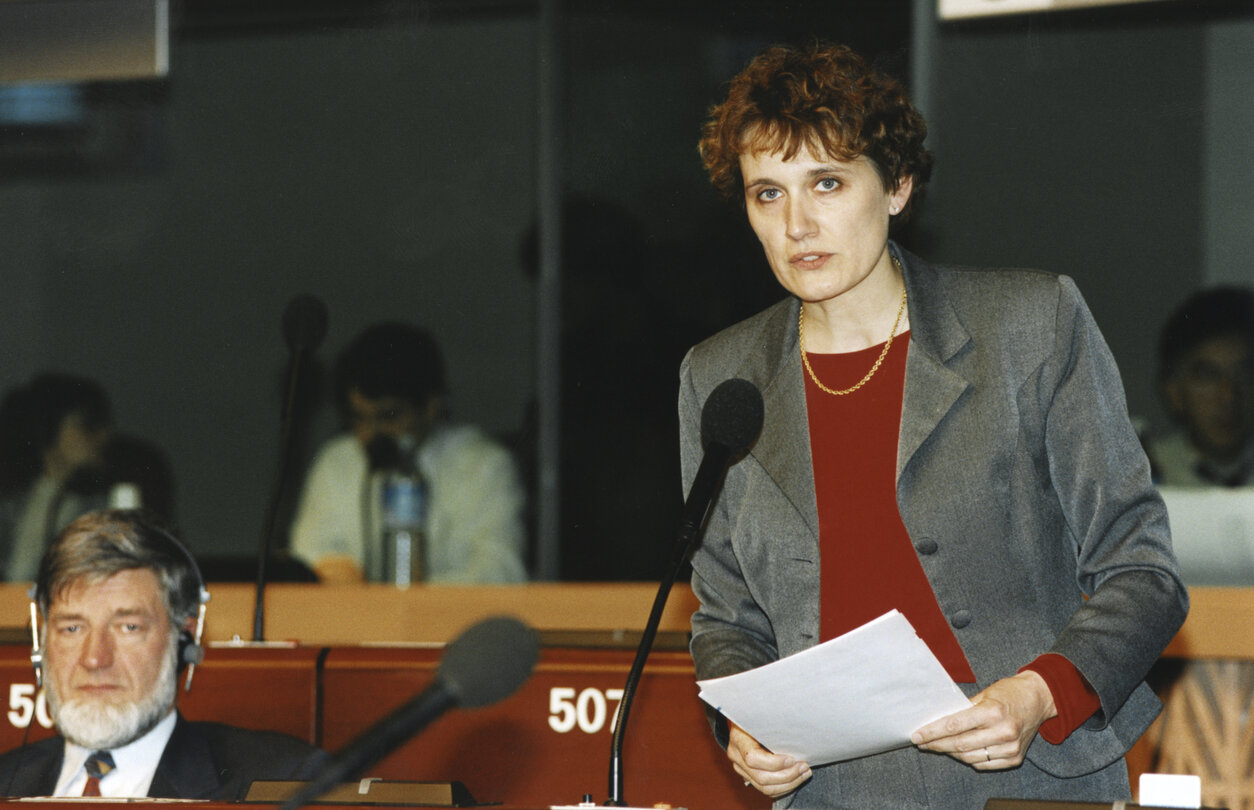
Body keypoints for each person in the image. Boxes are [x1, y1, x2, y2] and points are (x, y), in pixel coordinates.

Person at [681, 42, 1188, 808]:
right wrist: (741, 729)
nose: (798, 224)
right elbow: (726, 616)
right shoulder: (719, 377)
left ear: (897, 186)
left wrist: (1040, 693)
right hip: (829, 790)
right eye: (767, 194)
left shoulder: (1031, 325)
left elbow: (1141, 573)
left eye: (826, 183)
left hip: (1025, 769)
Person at [0, 509, 326, 798]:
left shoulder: (288, 781)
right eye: (72, 628)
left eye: (128, 627)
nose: (95, 659)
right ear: (40, 645)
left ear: (184, 640)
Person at [289, 322, 527, 583]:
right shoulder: (337, 462)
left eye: (389, 416)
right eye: (358, 418)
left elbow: (500, 573)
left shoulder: (483, 466)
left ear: (431, 407)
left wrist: (396, 601)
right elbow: (309, 560)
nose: (370, 434)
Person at [0, 374, 114, 581]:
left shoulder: (103, 510)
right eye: (88, 424)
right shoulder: (9, 504)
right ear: (48, 427)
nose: (103, 435)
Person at [1147, 286, 1254, 487]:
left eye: (1244, 375)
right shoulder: (1144, 477)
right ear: (1174, 392)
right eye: (1207, 376)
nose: (1228, 396)